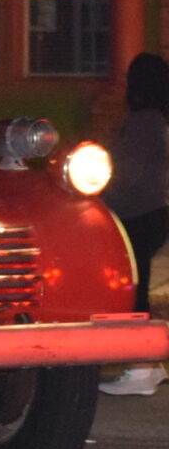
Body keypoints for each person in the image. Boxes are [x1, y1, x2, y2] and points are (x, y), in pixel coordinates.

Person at [100, 51, 169, 396]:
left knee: (134, 291)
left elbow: (127, 174)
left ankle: (141, 366)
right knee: (137, 288)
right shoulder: (156, 118)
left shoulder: (143, 121)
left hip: (136, 214)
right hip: (152, 212)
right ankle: (148, 365)